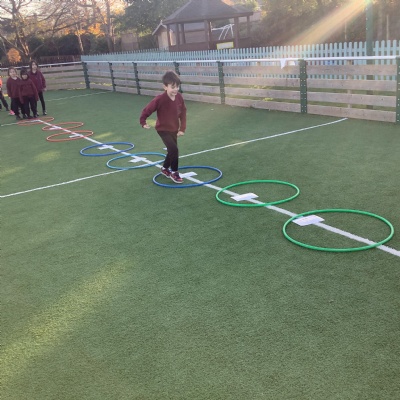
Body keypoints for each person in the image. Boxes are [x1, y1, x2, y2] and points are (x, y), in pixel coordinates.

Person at [139, 70, 187, 184]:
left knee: (171, 150)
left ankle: (165, 169)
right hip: (163, 129)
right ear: (165, 87)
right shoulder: (160, 99)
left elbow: (183, 113)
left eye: (177, 86)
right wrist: (143, 121)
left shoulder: (179, 97)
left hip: (174, 129)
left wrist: (182, 128)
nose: (176, 89)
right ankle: (174, 172)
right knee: (174, 150)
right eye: (173, 87)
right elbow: (147, 109)